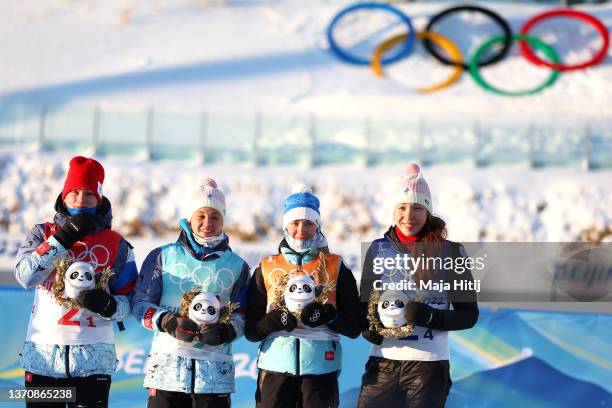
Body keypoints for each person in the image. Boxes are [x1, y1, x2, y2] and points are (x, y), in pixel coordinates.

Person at [15, 156, 138, 408]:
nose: (81, 200)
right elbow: (25, 276)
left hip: (92, 364)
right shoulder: (42, 233)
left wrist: (109, 306)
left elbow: (131, 303)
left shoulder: (119, 245)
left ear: (99, 199)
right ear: (64, 196)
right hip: (43, 361)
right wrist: (63, 238)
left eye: (88, 195)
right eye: (74, 193)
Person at [357, 163, 479, 408]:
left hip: (428, 366)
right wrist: (368, 326)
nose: (408, 216)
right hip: (382, 362)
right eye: (402, 207)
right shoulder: (377, 249)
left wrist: (431, 317)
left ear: (428, 211)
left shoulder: (452, 252)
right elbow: (364, 303)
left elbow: (469, 316)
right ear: (394, 210)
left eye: (417, 208)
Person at [132, 178, 249, 408]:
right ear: (190, 218)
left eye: (215, 217)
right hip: (167, 374)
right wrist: (167, 321)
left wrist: (225, 332)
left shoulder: (238, 266)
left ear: (223, 220)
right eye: (201, 216)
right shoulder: (163, 256)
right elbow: (139, 304)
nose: (208, 223)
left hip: (214, 375)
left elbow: (242, 316)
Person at [245, 186, 362, 408]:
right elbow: (251, 331)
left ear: (317, 226)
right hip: (275, 369)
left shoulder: (335, 266)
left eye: (309, 223)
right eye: (295, 223)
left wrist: (329, 316)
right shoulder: (267, 267)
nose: (301, 229)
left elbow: (355, 327)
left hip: (321, 370)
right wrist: (270, 322)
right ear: (285, 225)